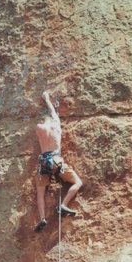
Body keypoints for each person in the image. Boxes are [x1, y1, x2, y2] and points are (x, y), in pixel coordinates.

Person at [34, 91, 83, 232]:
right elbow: (52, 113)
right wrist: (48, 100)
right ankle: (63, 204)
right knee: (78, 182)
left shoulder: (39, 128)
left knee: (40, 192)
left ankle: (42, 218)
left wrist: (46, 104)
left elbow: (46, 118)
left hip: (43, 163)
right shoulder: (56, 125)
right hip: (56, 161)